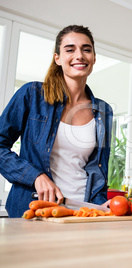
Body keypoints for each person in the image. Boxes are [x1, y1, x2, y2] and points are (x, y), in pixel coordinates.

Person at [0, 25, 113, 218]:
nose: (79, 55)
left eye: (86, 49)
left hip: (82, 213)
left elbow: (97, 171)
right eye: (70, 49)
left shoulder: (103, 111)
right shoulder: (32, 94)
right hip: (35, 209)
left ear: (94, 58)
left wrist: (102, 205)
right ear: (58, 58)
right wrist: (35, 175)